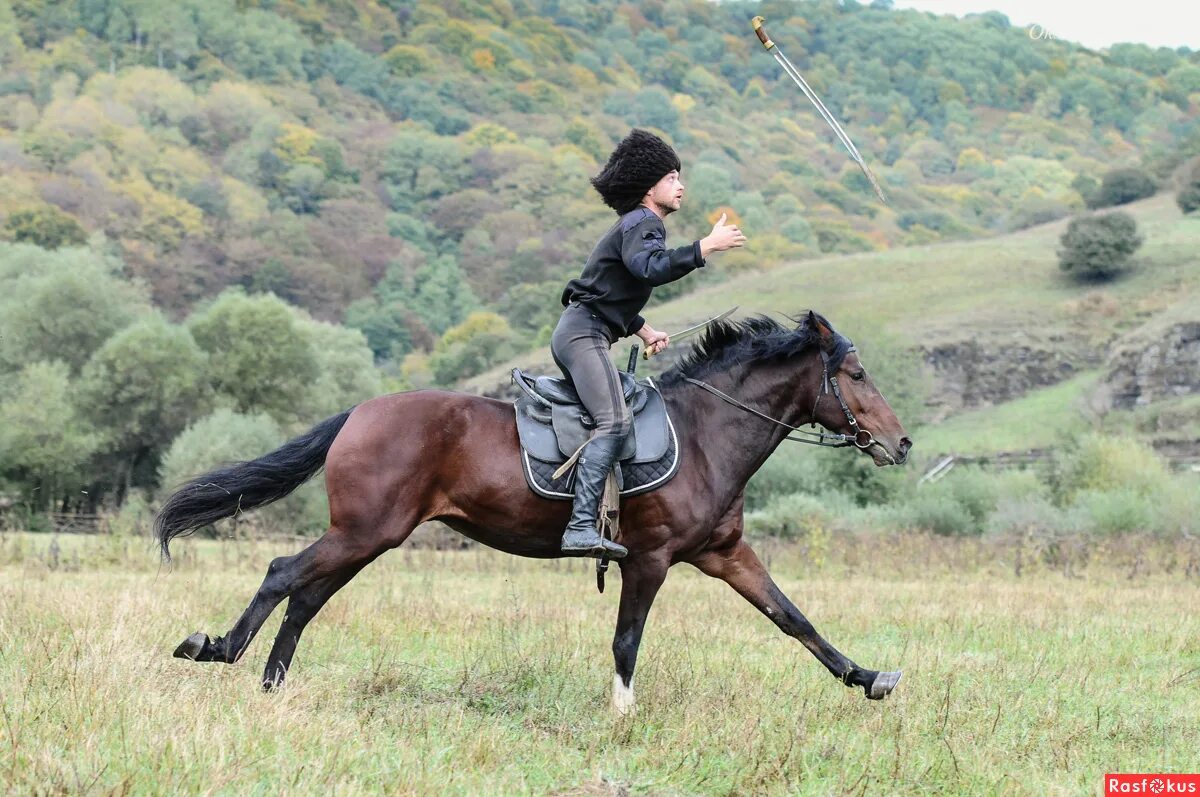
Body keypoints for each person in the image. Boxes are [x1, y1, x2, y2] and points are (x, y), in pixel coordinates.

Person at [551, 128, 747, 559]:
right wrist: (705, 247)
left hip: (585, 330)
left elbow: (611, 289)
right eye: (673, 177)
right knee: (616, 422)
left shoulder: (637, 224)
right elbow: (648, 269)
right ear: (650, 186)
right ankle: (580, 527)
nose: (682, 186)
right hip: (583, 335)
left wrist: (644, 330)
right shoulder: (644, 222)